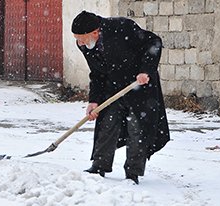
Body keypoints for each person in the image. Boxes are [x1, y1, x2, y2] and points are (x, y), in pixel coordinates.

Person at [71, 11, 170, 184]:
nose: (79, 43)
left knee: (136, 128)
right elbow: (97, 73)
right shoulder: (86, 45)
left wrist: (145, 70)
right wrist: (93, 101)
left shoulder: (122, 28)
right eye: (77, 38)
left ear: (95, 32)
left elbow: (153, 42)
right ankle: (99, 165)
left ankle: (133, 172)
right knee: (107, 123)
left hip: (139, 85)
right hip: (113, 88)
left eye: (82, 38)